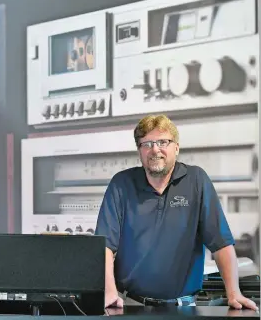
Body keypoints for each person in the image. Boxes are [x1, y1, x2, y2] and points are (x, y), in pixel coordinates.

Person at [95, 114, 258, 311]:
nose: (155, 149)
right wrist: (110, 292)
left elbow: (221, 243)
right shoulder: (121, 184)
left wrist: (234, 293)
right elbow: (104, 246)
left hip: (185, 308)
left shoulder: (197, 181)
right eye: (147, 143)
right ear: (139, 150)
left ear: (177, 147)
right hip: (131, 305)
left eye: (163, 142)